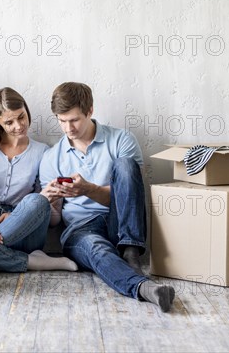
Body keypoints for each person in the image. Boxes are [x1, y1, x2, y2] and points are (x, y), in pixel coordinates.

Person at [39, 82, 175, 312]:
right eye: (61, 121)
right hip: (79, 230)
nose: (68, 128)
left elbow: (131, 196)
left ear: (90, 111)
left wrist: (88, 189)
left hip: (119, 223)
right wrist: (48, 199)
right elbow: (54, 221)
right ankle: (146, 289)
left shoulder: (121, 140)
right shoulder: (52, 157)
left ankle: (131, 252)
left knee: (124, 165)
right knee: (95, 249)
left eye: (74, 120)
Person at [0, 87, 78, 272]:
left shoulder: (43, 151)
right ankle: (31, 261)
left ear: (26, 110)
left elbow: (44, 212)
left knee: (36, 200)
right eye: (9, 122)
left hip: (25, 227)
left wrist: (20, 216)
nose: (19, 125)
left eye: (21, 116)